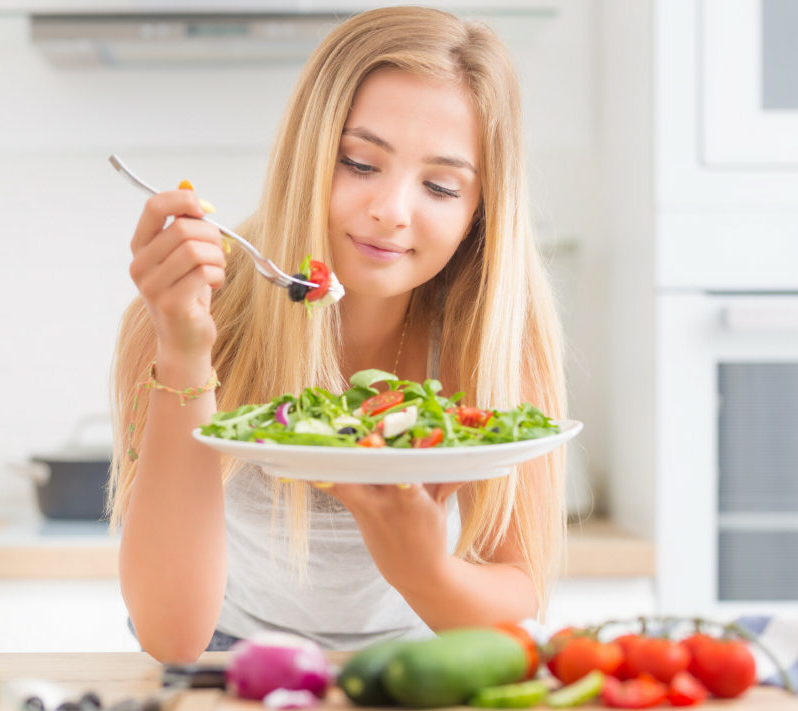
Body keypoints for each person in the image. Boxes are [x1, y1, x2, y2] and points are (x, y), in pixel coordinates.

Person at [107, 5, 566, 663]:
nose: (391, 211)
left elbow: (518, 594)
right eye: (359, 163)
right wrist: (183, 349)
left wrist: (422, 572)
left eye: (440, 184)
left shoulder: (494, 336)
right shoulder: (186, 314)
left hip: (422, 657)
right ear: (309, 156)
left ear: (479, 211)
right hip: (227, 660)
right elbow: (170, 638)